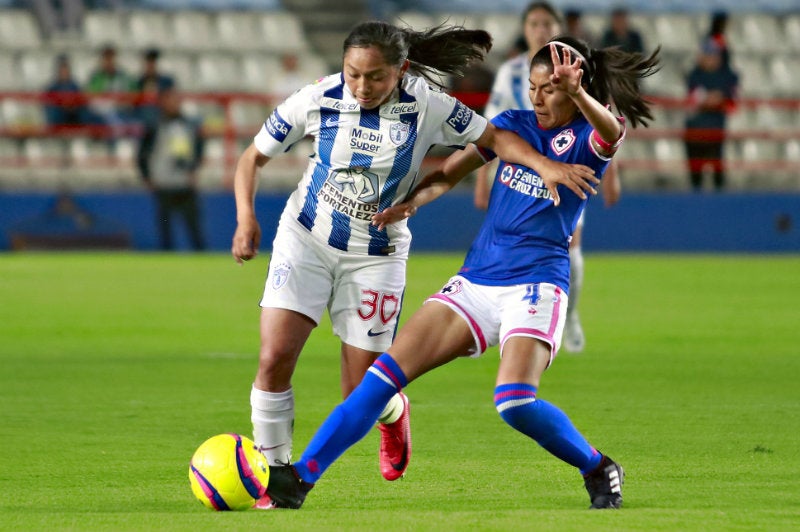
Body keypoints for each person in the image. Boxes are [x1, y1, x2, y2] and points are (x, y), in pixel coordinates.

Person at [264, 35, 660, 511]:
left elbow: (612, 133)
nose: (536, 98)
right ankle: (299, 480)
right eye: (532, 88)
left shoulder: (588, 139)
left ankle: (597, 466)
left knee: (513, 402)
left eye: (548, 90)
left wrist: (576, 93)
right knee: (377, 380)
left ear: (575, 90)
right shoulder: (514, 124)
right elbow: (450, 172)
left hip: (535, 285)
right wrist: (415, 201)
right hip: (475, 282)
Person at [477, 1, 621, 354]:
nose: (539, 29)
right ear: (525, 29)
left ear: (557, 28)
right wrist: (482, 178)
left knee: (570, 245)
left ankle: (567, 314)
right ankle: (510, 314)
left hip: (569, 168)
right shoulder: (510, 72)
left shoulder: (578, 76)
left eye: (546, 23)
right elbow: (491, 128)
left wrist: (611, 173)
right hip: (519, 170)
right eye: (534, 23)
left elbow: (605, 132)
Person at [136, 86, 206, 250]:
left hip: (185, 184)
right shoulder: (154, 125)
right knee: (165, 230)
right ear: (162, 102)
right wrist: (146, 176)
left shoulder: (189, 124)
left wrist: (194, 168)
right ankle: (167, 261)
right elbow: (142, 153)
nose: (174, 103)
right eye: (170, 99)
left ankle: (201, 261)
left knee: (195, 229)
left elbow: (199, 147)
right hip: (164, 184)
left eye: (176, 99)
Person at [683, 38, 738, 191]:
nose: (709, 58)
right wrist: (711, 99)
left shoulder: (727, 75)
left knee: (718, 173)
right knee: (696, 175)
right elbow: (694, 98)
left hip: (716, 131)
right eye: (706, 54)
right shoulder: (695, 74)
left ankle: (720, 202)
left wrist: (712, 99)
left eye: (713, 55)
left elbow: (731, 101)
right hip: (695, 131)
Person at [42, 54, 102, 133]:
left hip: (74, 113)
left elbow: (82, 99)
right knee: (53, 113)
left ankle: (93, 133)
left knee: (90, 115)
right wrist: (63, 104)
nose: (64, 71)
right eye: (62, 69)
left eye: (66, 69)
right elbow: (48, 103)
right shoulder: (52, 87)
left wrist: (72, 105)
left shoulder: (74, 85)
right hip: (60, 114)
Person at [135, 48, 175, 126]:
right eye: (148, 61)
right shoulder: (138, 82)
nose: (151, 64)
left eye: (153, 61)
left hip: (163, 114)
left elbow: (171, 100)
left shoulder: (166, 81)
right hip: (144, 118)